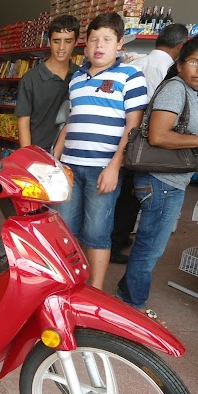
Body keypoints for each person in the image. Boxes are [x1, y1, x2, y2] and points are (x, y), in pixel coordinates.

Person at [53, 12, 148, 290]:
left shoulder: (131, 75)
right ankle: (68, 285)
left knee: (96, 234)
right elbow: (70, 121)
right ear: (86, 45)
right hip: (69, 167)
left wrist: (114, 167)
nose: (99, 45)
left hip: (102, 169)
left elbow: (133, 126)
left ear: (120, 43)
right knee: (65, 231)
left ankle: (94, 291)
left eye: (107, 39)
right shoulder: (77, 78)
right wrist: (54, 159)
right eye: (94, 39)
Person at [117, 36, 198, 323]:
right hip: (162, 182)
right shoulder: (176, 89)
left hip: (166, 181)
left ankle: (126, 295)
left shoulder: (189, 91)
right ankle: (132, 307)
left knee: (149, 244)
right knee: (150, 248)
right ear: (179, 64)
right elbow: (159, 135)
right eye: (194, 61)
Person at [110, 23, 189, 264]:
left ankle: (119, 238)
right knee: (131, 196)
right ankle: (117, 241)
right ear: (181, 46)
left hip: (124, 137)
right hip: (145, 144)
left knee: (124, 193)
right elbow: (158, 112)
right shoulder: (166, 69)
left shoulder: (136, 62)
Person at [15, 14, 80, 151]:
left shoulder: (81, 76)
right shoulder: (30, 79)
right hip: (39, 153)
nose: (61, 47)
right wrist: (28, 156)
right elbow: (23, 121)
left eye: (68, 41)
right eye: (56, 41)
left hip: (73, 154)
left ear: (76, 41)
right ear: (49, 41)